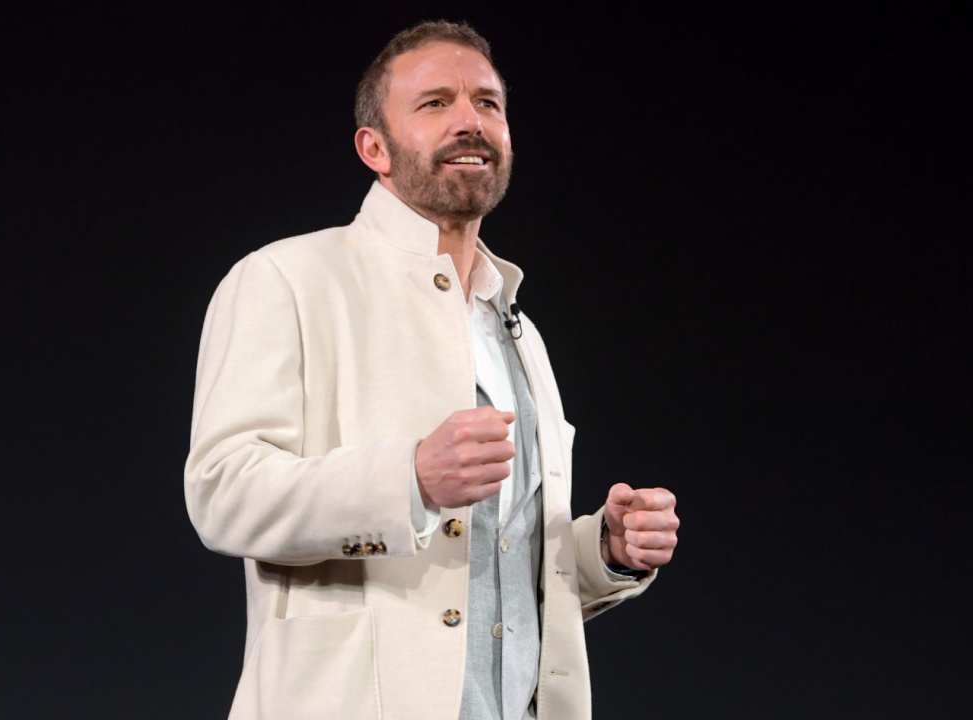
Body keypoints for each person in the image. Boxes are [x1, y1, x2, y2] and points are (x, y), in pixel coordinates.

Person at [184, 20, 679, 720]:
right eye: (435, 103)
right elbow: (222, 493)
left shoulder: (515, 325)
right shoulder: (286, 280)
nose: (470, 121)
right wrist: (409, 477)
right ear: (374, 148)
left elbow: (501, 565)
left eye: (488, 103)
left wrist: (605, 551)